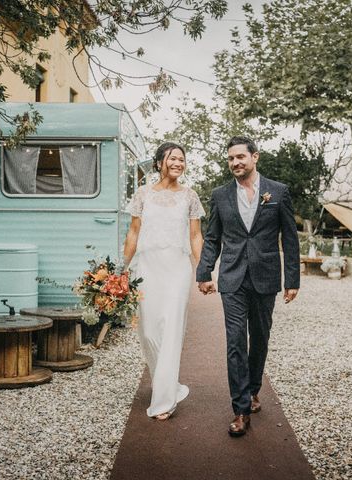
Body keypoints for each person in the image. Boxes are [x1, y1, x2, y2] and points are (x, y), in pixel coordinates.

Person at [196, 135, 300, 437]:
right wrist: (204, 271)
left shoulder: (278, 192)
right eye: (230, 158)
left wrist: (291, 279)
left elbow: (290, 238)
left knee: (261, 337)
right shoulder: (220, 195)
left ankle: (254, 388)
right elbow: (213, 237)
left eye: (240, 157)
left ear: (255, 157)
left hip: (266, 276)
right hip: (232, 277)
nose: (235, 163)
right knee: (235, 342)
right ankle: (240, 409)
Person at [123, 142, 205, 421]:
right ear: (159, 162)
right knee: (148, 332)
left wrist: (203, 270)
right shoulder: (143, 194)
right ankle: (168, 384)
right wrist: (121, 269)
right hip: (147, 267)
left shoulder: (190, 196)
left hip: (178, 269)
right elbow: (134, 233)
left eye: (182, 159)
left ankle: (164, 400)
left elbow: (195, 236)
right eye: (173, 158)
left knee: (171, 329)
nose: (178, 163)